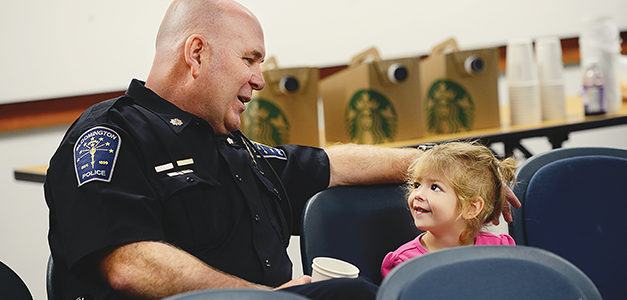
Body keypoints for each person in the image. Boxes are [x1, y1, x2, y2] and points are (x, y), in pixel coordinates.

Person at [44, 0, 520, 299]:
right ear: (196, 53)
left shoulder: (234, 149)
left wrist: (455, 168)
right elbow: (129, 266)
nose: (260, 78)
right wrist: (263, 297)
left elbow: (335, 165)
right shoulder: (111, 135)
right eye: (249, 60)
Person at [381, 142, 518, 278]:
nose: (417, 195)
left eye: (435, 187)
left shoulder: (499, 249)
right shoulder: (404, 264)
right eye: (417, 185)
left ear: (471, 208)